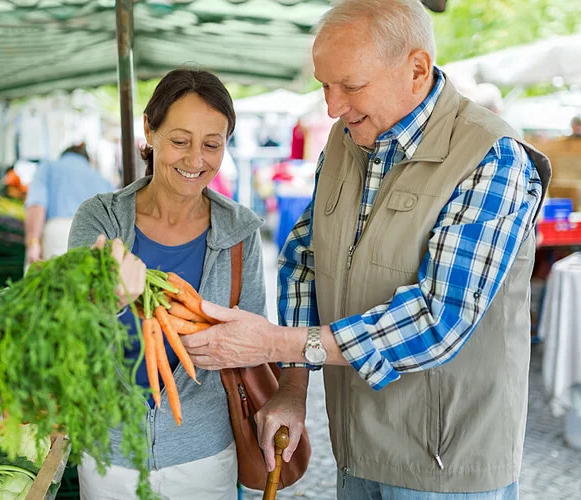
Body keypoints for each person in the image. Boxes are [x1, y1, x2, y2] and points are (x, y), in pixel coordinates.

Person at [181, 1, 552, 499]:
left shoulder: (490, 156)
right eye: (324, 86)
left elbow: (436, 321)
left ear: (417, 69)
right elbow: (303, 262)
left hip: (445, 469)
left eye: (350, 86)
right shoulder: (345, 139)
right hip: (356, 452)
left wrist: (273, 344)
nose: (332, 107)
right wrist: (292, 387)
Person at [68, 68, 266, 500]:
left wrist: (218, 340)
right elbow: (69, 329)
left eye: (212, 145)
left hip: (204, 456)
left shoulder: (240, 233)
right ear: (149, 131)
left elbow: (255, 339)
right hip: (110, 454)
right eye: (180, 141)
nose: (196, 161)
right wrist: (106, 300)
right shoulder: (100, 219)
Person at [24, 143, 112, 267]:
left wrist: (33, 242)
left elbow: (37, 205)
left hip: (58, 233)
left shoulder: (48, 167)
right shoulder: (101, 179)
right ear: (87, 160)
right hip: (95, 237)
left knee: (54, 282)